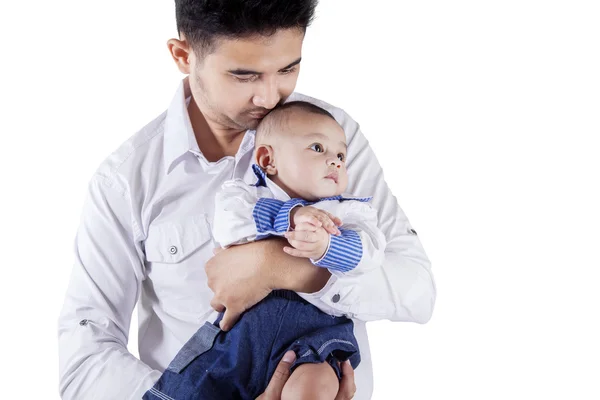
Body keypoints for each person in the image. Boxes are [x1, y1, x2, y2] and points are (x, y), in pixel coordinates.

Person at [57, 1, 436, 399]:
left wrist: (280, 267)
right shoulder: (125, 179)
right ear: (183, 55)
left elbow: (418, 291)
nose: (271, 97)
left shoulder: (331, 137)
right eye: (244, 75)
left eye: (288, 68)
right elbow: (86, 354)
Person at [143, 101, 387, 400]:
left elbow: (370, 252)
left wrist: (328, 245)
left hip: (313, 337)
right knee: (189, 389)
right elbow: (230, 224)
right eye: (317, 148)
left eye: (340, 155)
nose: (335, 161)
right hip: (238, 337)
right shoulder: (243, 196)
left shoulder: (349, 213)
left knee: (314, 389)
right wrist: (291, 216)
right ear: (268, 159)